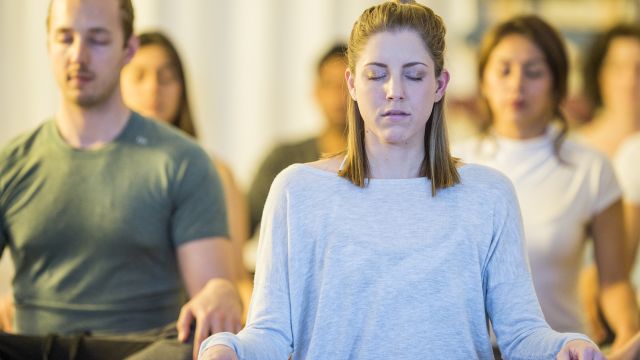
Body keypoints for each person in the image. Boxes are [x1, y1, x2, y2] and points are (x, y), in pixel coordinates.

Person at [198, 2, 604, 359]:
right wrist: (225, 348)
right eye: (377, 75)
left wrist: (564, 346)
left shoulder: (489, 195)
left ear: (440, 85)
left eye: (414, 75)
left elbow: (521, 336)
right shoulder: (297, 191)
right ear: (352, 85)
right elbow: (270, 333)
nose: (394, 92)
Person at [0, 0, 241, 359]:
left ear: (128, 49)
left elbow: (213, 301)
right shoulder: (13, 162)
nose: (78, 56)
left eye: (97, 39)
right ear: (48, 43)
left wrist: (222, 292)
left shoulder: (184, 162)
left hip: (145, 349)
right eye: (65, 38)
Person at [452, 15, 639, 352]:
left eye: (534, 71)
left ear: (558, 83)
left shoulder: (590, 168)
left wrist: (628, 335)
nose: (517, 84)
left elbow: (614, 281)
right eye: (504, 70)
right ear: (483, 80)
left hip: (563, 350)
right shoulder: (453, 164)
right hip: (469, 350)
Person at [120, 31, 250, 289]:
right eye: (139, 76)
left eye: (166, 77)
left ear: (182, 89)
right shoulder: (103, 167)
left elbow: (237, 278)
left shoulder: (214, 173)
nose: (153, 88)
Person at [247, 43, 348, 236]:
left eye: (346, 85)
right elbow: (243, 223)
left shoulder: (383, 162)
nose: (339, 96)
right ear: (316, 92)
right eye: (330, 85)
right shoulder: (284, 158)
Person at [579, 24, 640, 159]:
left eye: (639, 69)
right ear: (599, 75)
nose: (629, 81)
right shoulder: (578, 147)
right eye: (618, 68)